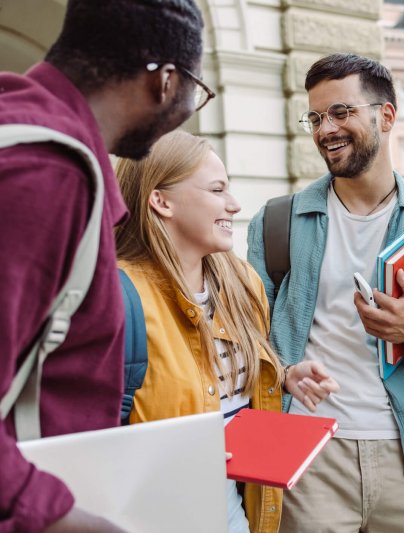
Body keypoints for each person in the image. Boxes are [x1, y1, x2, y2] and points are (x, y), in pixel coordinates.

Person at [0, 1, 207, 530]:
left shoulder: (18, 127)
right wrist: (60, 515)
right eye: (195, 91)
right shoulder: (48, 172)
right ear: (164, 82)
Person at [247, 53, 404, 532]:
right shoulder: (277, 221)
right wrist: (284, 372)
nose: (326, 129)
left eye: (341, 112)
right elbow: (249, 335)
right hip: (307, 451)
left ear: (385, 116)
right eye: (316, 117)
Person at [115, 131, 339, 532]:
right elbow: (91, 437)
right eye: (217, 190)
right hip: (163, 515)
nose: (234, 205)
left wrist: (283, 376)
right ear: (161, 200)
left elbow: (220, 389)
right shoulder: (119, 296)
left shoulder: (242, 281)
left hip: (241, 509)